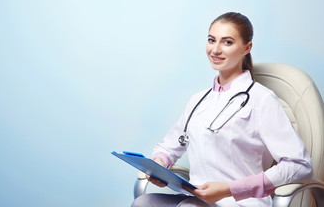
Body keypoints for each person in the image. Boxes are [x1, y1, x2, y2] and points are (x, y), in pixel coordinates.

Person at [131, 12, 313, 207]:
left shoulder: (262, 100)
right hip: (197, 199)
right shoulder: (198, 100)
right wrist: (159, 164)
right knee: (144, 203)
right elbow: (169, 146)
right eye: (211, 40)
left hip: (242, 202)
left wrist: (230, 189)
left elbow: (299, 166)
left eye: (227, 42)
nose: (215, 50)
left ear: (246, 48)